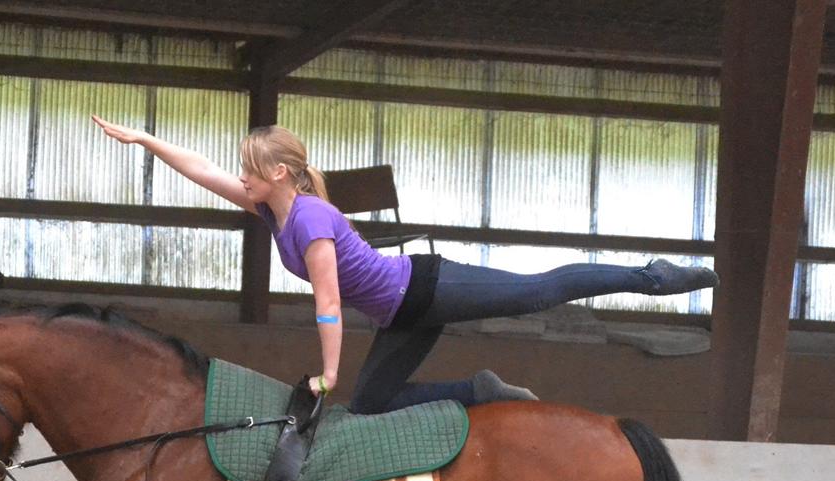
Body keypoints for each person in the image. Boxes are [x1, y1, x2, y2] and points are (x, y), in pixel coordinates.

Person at [92, 116, 719, 414]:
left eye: (248, 168)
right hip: (400, 312)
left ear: (277, 173)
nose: (239, 177)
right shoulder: (273, 209)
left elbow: (330, 303)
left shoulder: (308, 220)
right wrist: (147, 141)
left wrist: (328, 373)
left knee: (537, 292)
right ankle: (479, 392)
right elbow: (204, 172)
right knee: (375, 403)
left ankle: (654, 278)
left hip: (427, 288)